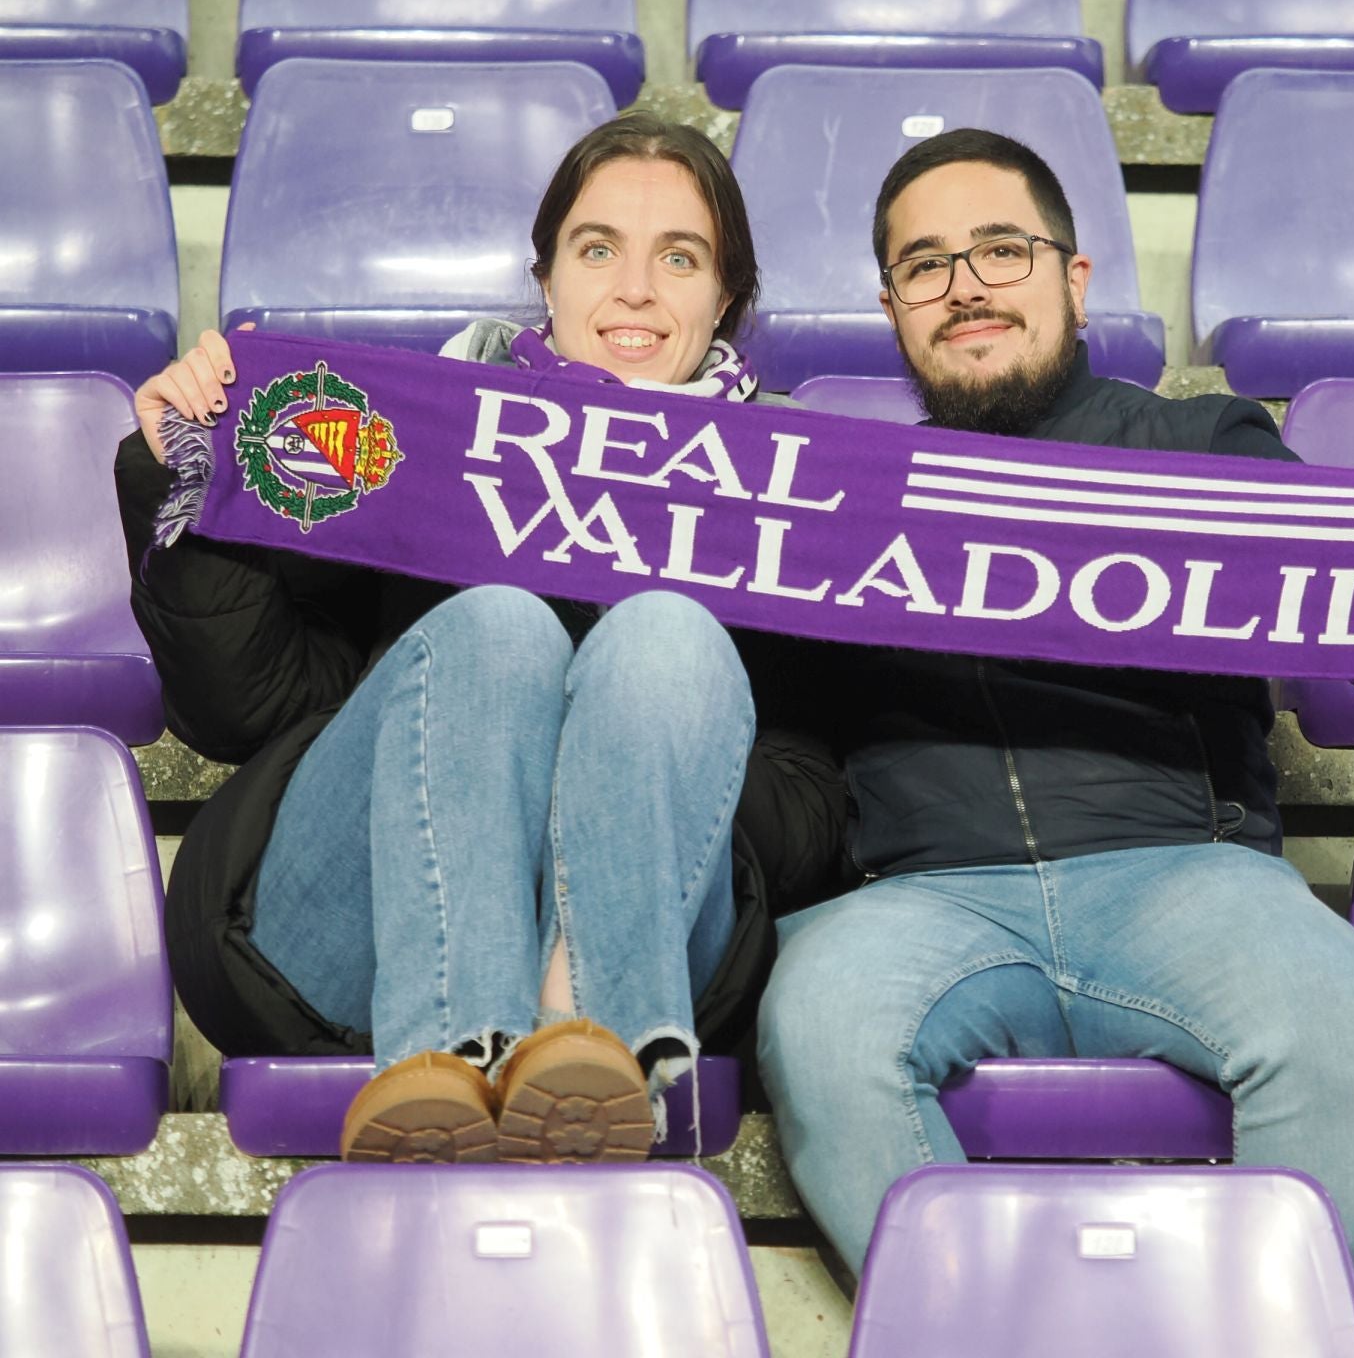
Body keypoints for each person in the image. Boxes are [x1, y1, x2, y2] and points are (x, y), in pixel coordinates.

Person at [753, 128, 1354, 1328]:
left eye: (1000, 251)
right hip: (924, 899)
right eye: (924, 265)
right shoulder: (835, 503)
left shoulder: (1204, 449)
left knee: (1323, 1014)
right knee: (815, 1024)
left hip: (1185, 880)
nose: (965, 289)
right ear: (892, 306)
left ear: (1075, 276)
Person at [116, 113, 845, 1164]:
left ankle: (586, 1041)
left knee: (663, 636)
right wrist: (188, 464)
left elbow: (815, 815)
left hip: (649, 939)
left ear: (724, 299)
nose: (634, 289)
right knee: (500, 626)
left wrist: (638, 740)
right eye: (597, 250)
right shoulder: (411, 439)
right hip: (355, 929)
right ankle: (452, 1058)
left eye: (677, 258)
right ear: (546, 277)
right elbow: (246, 709)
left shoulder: (787, 511)